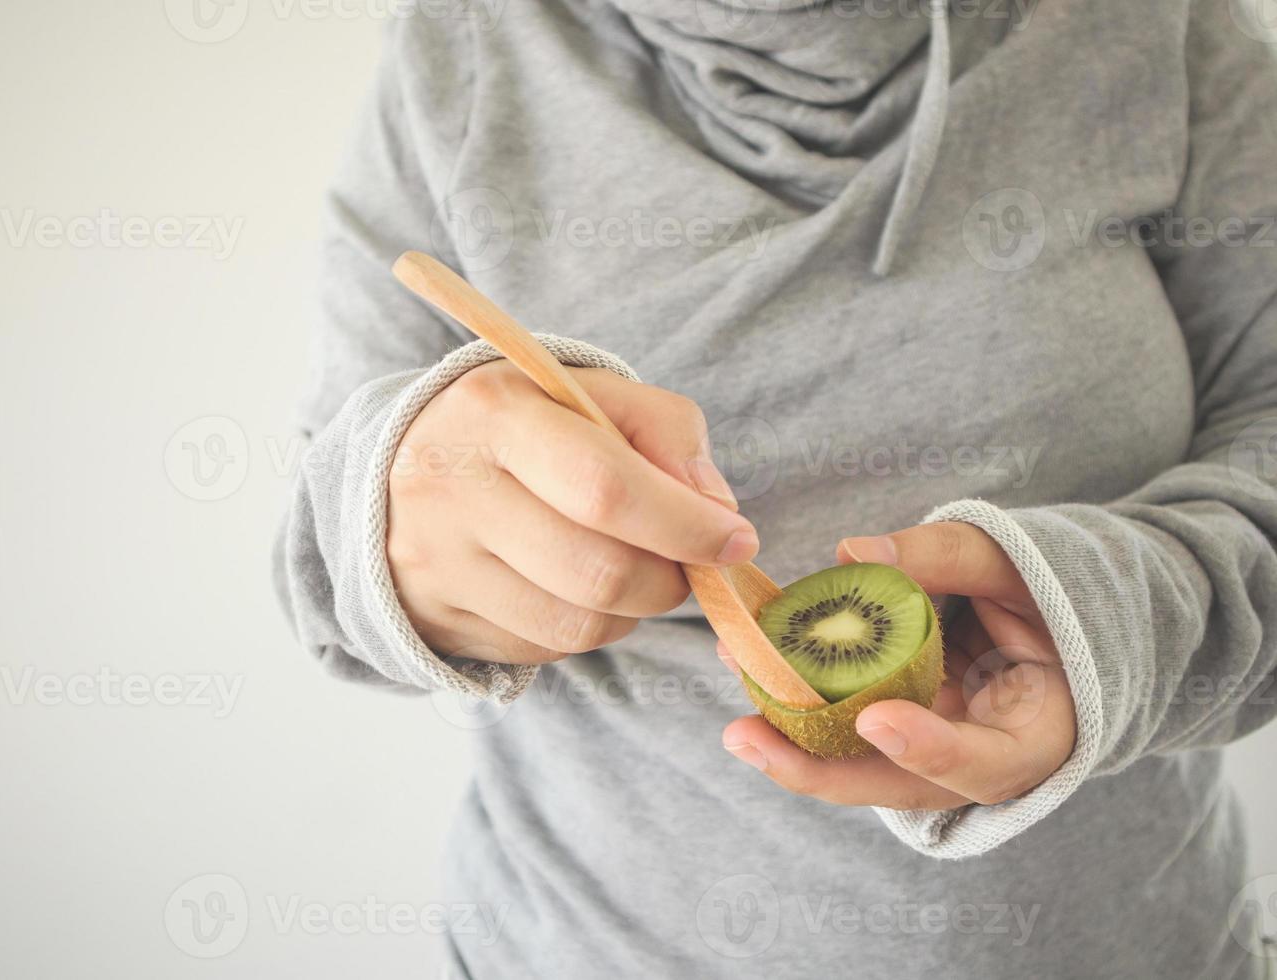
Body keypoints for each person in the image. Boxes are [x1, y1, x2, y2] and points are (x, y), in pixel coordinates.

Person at [276, 0, 1277, 975]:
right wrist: (406, 516)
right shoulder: (460, 49)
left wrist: (1126, 617)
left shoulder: (1162, 25)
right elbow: (322, 567)